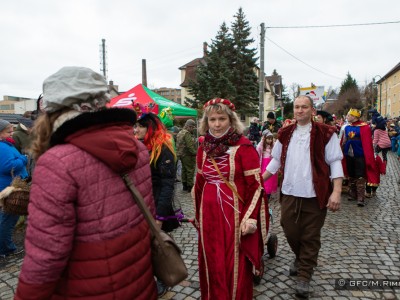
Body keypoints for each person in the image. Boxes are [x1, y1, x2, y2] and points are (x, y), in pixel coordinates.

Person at [15, 66, 157, 299]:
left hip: (84, 288)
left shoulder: (57, 161)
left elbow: (46, 254)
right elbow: (146, 213)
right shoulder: (138, 148)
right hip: (137, 280)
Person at [262, 95, 343, 298]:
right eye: (297, 107)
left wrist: (336, 191)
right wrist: (259, 180)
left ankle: (304, 275)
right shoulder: (286, 133)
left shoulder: (326, 133)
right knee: (290, 230)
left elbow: (335, 162)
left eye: (304, 107)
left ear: (312, 110)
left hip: (316, 195)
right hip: (289, 193)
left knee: (310, 237)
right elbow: (275, 161)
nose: (299, 110)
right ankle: (299, 257)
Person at [193, 98, 266, 300]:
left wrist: (250, 218)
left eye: (221, 119)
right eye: (212, 119)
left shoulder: (243, 147)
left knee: (233, 260)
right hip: (208, 214)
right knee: (212, 258)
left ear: (231, 120)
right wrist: (197, 214)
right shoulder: (203, 147)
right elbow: (199, 183)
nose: (216, 124)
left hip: (234, 214)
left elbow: (256, 186)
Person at [134, 112, 181, 296]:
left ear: (149, 128)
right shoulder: (139, 146)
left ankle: (163, 278)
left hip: (156, 205)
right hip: (141, 203)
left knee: (158, 245)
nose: (135, 129)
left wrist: (160, 216)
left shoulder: (162, 148)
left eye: (139, 126)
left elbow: (167, 184)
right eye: (134, 126)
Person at [0, 120, 29, 259]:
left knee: (6, 217)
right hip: (9, 188)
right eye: (8, 131)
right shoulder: (2, 147)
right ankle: (5, 248)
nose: (12, 133)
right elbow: (7, 166)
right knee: (8, 219)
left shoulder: (5, 144)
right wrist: (23, 159)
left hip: (8, 186)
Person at [342, 108, 379, 207]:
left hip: (360, 155)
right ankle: (352, 193)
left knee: (360, 175)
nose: (347, 116)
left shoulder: (364, 127)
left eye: (349, 115)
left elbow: (367, 143)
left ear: (354, 117)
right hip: (348, 154)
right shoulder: (347, 127)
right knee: (351, 174)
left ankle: (360, 197)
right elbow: (344, 140)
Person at [176, 119, 197, 192]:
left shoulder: (180, 132)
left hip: (181, 154)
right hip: (188, 155)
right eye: (192, 127)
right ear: (189, 126)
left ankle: (184, 185)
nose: (193, 129)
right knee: (190, 170)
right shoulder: (187, 133)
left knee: (184, 170)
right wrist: (195, 153)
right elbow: (189, 145)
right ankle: (190, 186)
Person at [256, 129, 278, 198]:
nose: (270, 140)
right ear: (264, 138)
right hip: (264, 164)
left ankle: (268, 193)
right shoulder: (261, 146)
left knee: (271, 179)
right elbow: (257, 151)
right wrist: (261, 142)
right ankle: (265, 192)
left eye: (271, 139)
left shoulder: (273, 145)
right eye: (268, 139)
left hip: (270, 163)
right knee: (265, 180)